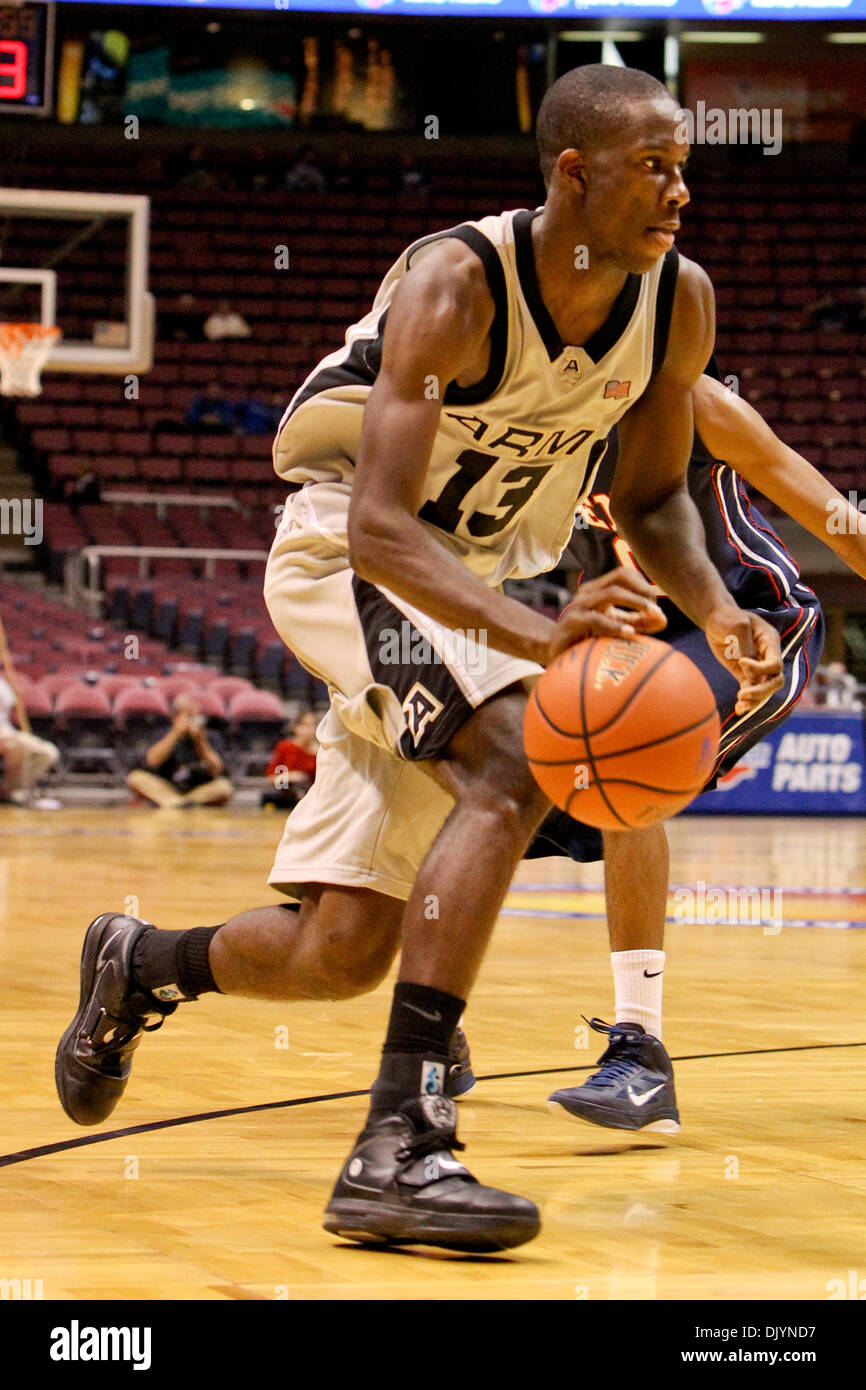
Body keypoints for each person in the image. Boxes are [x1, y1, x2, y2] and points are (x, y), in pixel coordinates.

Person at [56, 65, 782, 1255]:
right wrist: (544, 638)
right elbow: (382, 530)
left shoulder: (673, 299)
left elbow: (651, 500)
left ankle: (139, 964)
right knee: (510, 762)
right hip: (350, 552)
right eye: (654, 167)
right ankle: (401, 1145)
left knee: (339, 953)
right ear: (573, 173)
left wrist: (713, 608)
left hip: (470, 585)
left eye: (684, 166)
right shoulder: (456, 283)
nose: (680, 193)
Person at [126, 694, 232, 809]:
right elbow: (152, 761)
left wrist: (200, 741)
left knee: (224, 787)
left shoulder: (211, 736)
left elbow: (216, 769)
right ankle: (180, 803)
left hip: (198, 789)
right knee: (135, 778)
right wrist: (176, 733)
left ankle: (179, 803)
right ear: (175, 718)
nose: (194, 721)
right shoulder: (162, 734)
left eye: (196, 716)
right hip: (167, 788)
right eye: (189, 716)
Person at [0, 675, 60, 808]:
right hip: (7, 739)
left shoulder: (2, 685)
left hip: (6, 732)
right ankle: (8, 792)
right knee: (16, 746)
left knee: (48, 752)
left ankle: (17, 789)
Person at [260, 708, 318, 810]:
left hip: (312, 796)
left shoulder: (321, 752)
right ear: (296, 727)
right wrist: (290, 776)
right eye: (305, 725)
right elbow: (272, 778)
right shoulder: (285, 748)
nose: (308, 730)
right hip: (287, 792)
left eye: (312, 726)